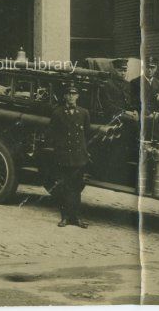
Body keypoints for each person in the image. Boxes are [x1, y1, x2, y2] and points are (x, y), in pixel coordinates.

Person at [48, 83, 90, 228]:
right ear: (65, 96)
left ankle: (76, 218)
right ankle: (64, 217)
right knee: (64, 187)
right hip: (64, 156)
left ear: (78, 96)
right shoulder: (57, 113)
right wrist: (59, 150)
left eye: (74, 94)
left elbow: (87, 134)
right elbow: (52, 134)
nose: (71, 97)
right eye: (69, 94)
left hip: (78, 157)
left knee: (77, 188)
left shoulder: (84, 113)